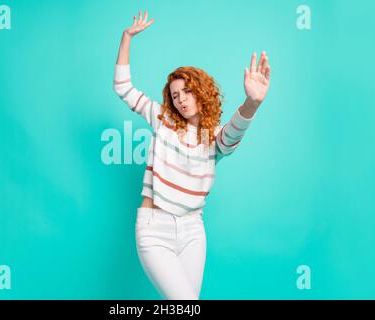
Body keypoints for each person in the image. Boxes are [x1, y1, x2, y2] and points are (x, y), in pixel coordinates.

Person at [113, 11, 271, 300]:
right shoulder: (163, 120)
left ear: (201, 92)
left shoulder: (213, 139)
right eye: (175, 95)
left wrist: (252, 103)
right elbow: (123, 87)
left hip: (193, 232)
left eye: (187, 91)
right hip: (154, 228)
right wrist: (127, 37)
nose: (181, 99)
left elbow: (234, 132)